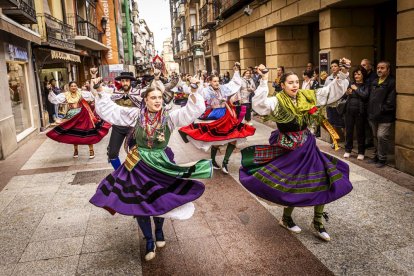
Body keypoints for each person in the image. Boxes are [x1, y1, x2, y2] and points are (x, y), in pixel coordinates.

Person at [89, 85, 211, 261]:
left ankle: (159, 230)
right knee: (139, 203)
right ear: (145, 100)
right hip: (138, 163)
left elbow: (192, 110)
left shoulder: (170, 117)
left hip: (161, 163)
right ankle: (148, 240)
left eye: (160, 97)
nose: (157, 101)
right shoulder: (135, 115)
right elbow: (112, 110)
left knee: (159, 198)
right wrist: (101, 92)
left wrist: (193, 91)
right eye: (153, 97)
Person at [239, 60, 353, 242]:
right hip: (288, 147)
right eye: (290, 82)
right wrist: (263, 80)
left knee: (323, 178)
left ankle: (317, 222)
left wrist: (343, 74)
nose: (294, 85)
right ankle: (286, 217)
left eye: (296, 82)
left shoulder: (306, 96)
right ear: (282, 85)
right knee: (292, 183)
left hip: (307, 145)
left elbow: (328, 93)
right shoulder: (276, 100)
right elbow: (260, 105)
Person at [179, 63, 255, 174]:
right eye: (214, 81)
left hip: (227, 115)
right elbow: (194, 92)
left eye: (218, 81)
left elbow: (234, 84)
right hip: (214, 116)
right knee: (217, 142)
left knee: (234, 138)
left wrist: (237, 71)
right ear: (210, 82)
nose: (217, 83)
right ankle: (213, 161)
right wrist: (193, 83)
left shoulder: (223, 88)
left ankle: (225, 162)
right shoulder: (205, 90)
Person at [47, 81, 111, 158]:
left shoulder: (82, 93)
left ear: (77, 87)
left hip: (83, 116)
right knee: (74, 134)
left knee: (88, 132)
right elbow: (54, 100)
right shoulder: (65, 95)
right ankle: (76, 150)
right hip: (72, 116)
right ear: (69, 87)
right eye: (72, 86)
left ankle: (91, 150)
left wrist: (94, 87)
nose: (74, 87)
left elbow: (93, 96)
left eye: (75, 86)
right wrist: (50, 90)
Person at [367, 61, 396, 168]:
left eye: (382, 68)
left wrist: (382, 109)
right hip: (373, 115)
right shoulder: (375, 81)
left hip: (385, 116)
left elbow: (391, 101)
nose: (379, 70)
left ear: (388, 70)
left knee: (381, 136)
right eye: (378, 68)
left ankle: (382, 158)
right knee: (375, 137)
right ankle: (376, 156)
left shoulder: (392, 82)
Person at [343, 65, 369, 160]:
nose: (356, 76)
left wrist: (356, 89)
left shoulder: (366, 85)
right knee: (349, 132)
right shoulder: (351, 84)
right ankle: (347, 150)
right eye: (355, 74)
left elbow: (365, 96)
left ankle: (361, 152)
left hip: (360, 112)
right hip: (349, 111)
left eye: (359, 74)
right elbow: (344, 97)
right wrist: (346, 93)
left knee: (360, 133)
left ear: (363, 75)